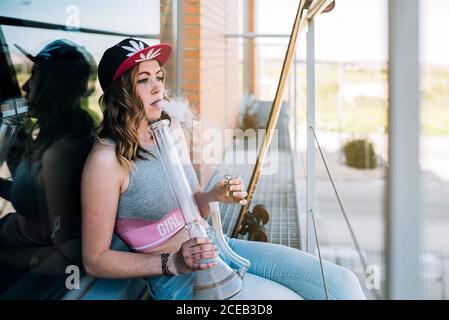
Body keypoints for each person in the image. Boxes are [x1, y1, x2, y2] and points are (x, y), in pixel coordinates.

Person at [81, 38, 366, 300]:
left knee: (343, 285)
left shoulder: (167, 133)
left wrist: (215, 195)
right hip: (181, 281)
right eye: (144, 80)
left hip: (220, 246)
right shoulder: (106, 161)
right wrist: (174, 263)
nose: (158, 87)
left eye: (159, 77)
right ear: (120, 94)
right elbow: (95, 258)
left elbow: (194, 207)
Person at [0, 39, 97, 297]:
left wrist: (5, 256)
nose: (24, 86)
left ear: (54, 89)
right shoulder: (51, 138)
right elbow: (39, 200)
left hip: (20, 259)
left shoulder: (59, 155)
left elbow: (66, 258)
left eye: (35, 78)